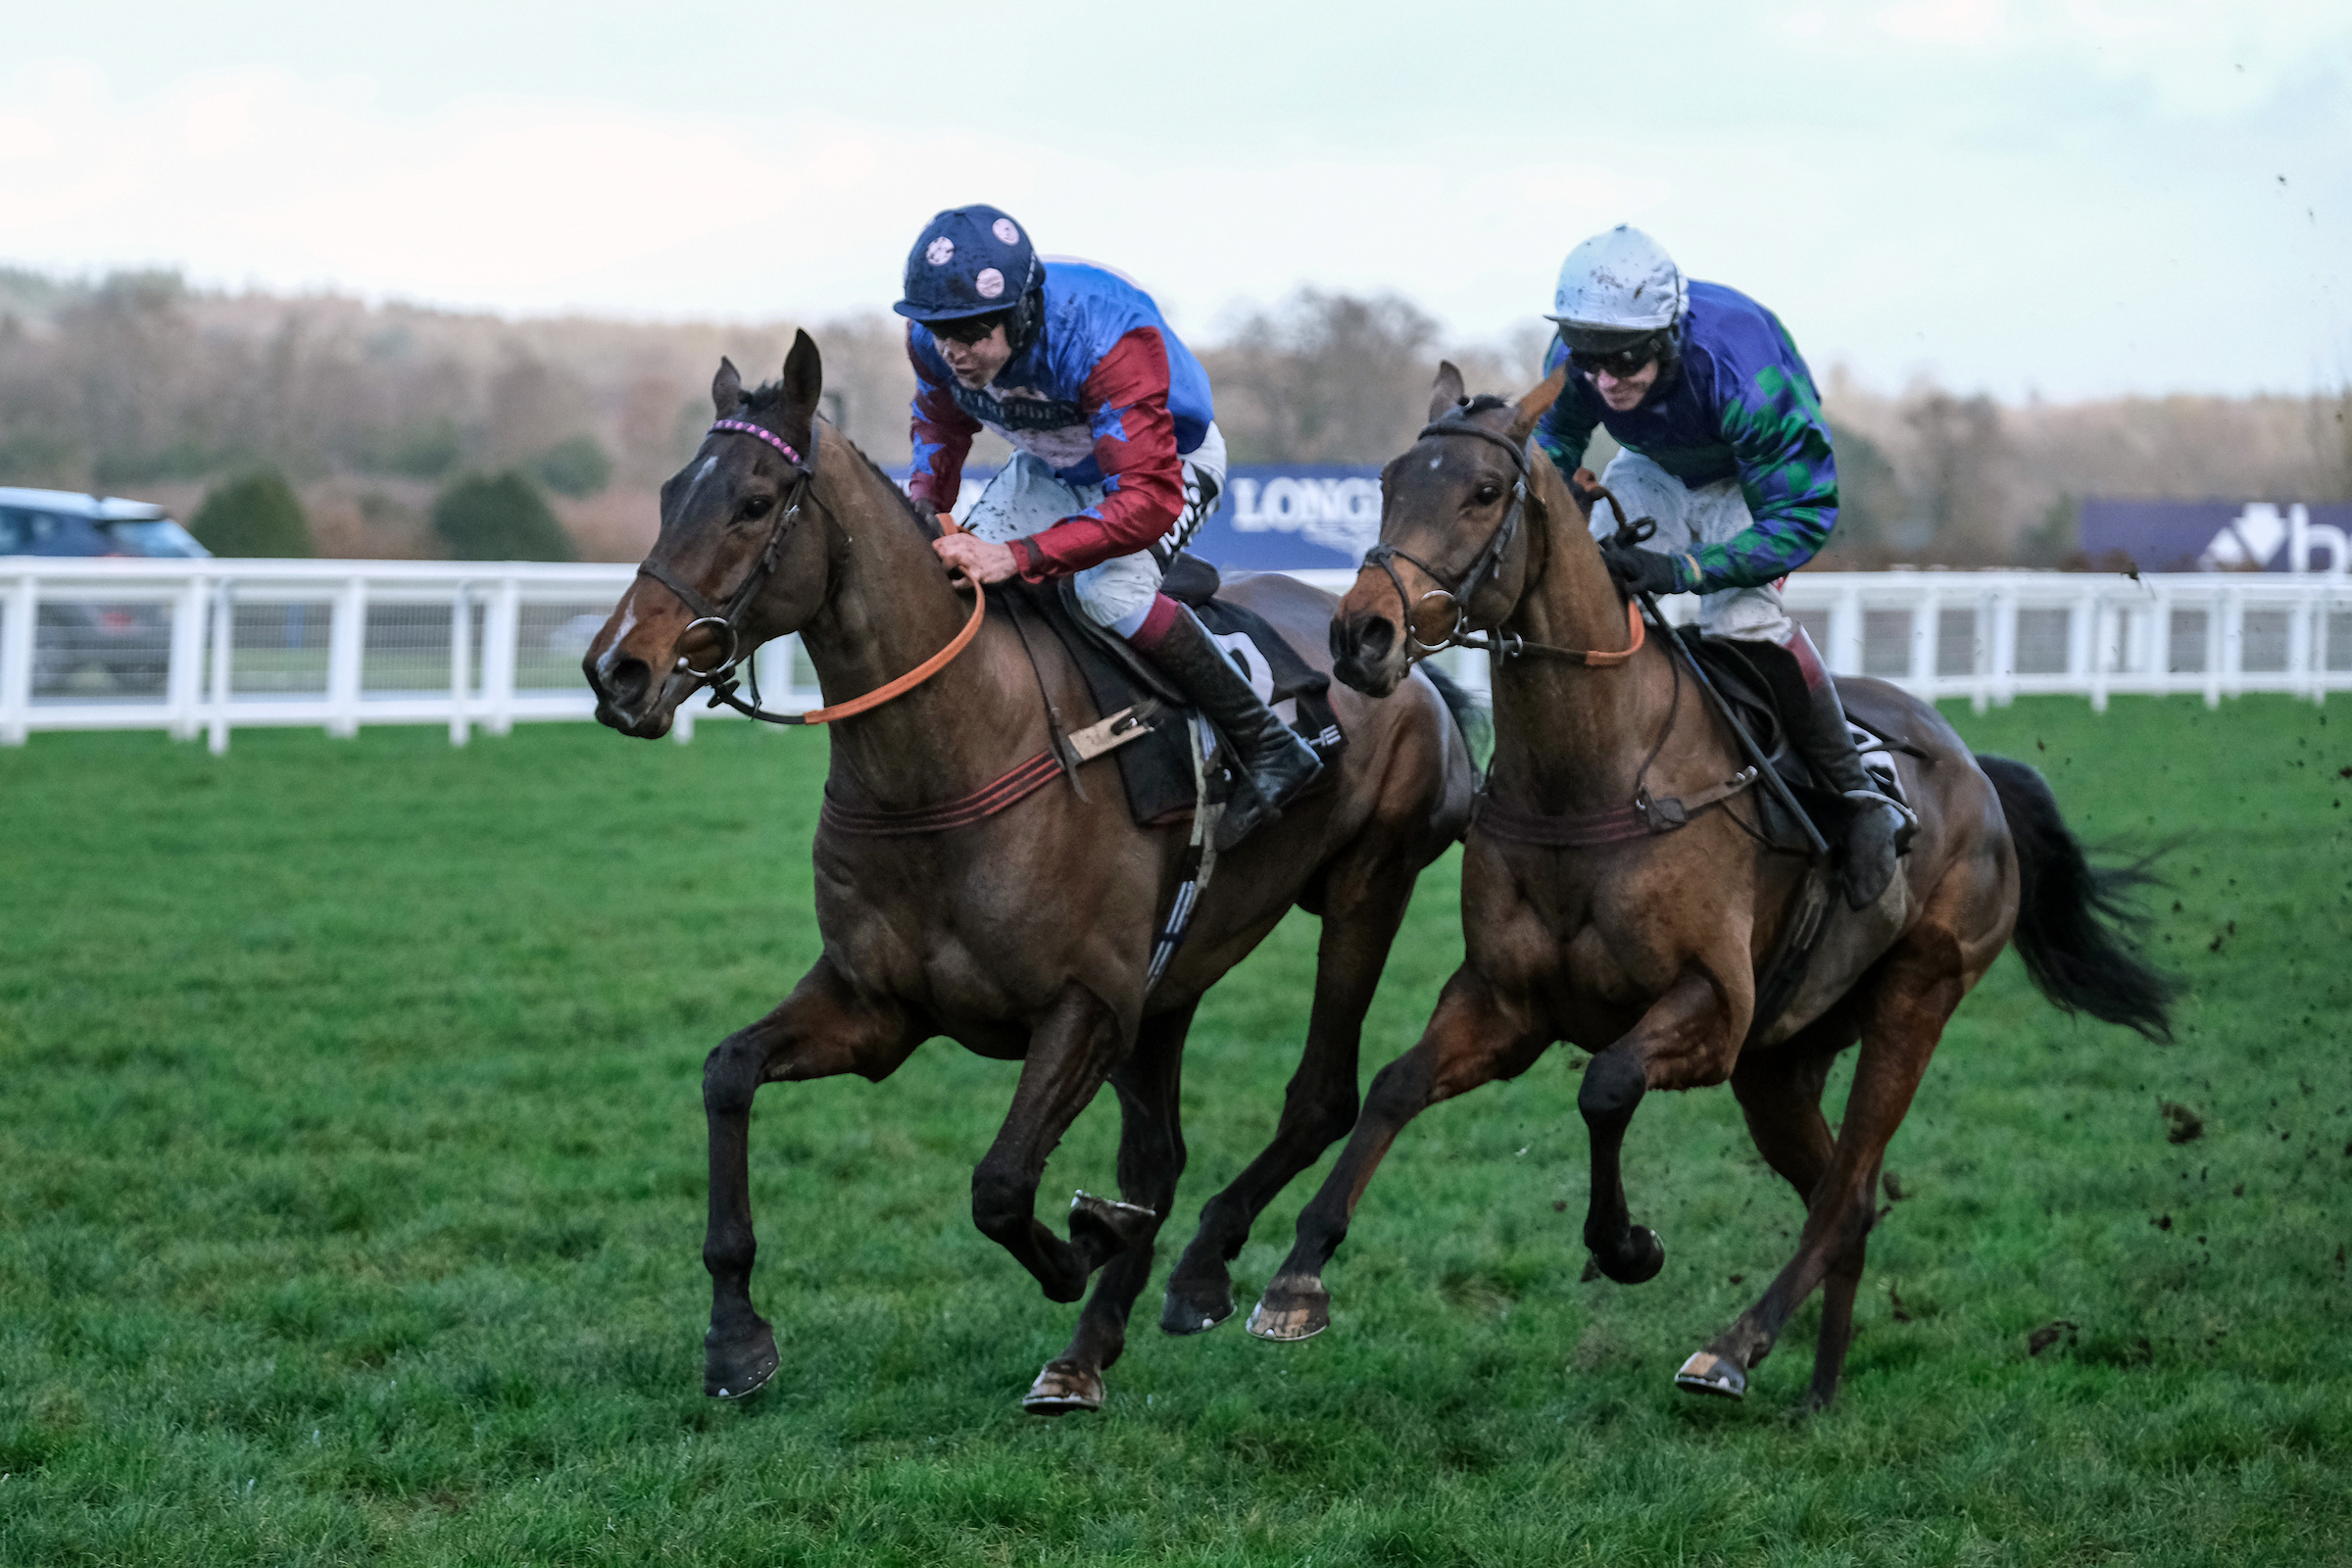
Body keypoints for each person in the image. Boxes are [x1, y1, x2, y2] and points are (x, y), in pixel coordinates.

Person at [897, 205, 1320, 850]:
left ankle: (1268, 743)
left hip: (1164, 464)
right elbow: (941, 427)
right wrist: (925, 510)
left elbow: (1146, 500)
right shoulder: (934, 343)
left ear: (1022, 313)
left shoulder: (1106, 340)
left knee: (1105, 593)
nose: (951, 350)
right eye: (938, 331)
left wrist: (1020, 553)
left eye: (970, 333)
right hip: (1051, 460)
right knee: (959, 580)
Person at [1532, 224, 1908, 909]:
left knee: (1739, 617)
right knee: (1575, 586)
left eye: (1625, 363)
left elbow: (1799, 522)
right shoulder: (1581, 353)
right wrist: (1559, 504)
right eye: (1591, 362)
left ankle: (1856, 795)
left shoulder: (1745, 376)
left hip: (1753, 482)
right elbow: (1552, 440)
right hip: (1654, 466)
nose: (1606, 380)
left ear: (1668, 336)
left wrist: (1684, 570)